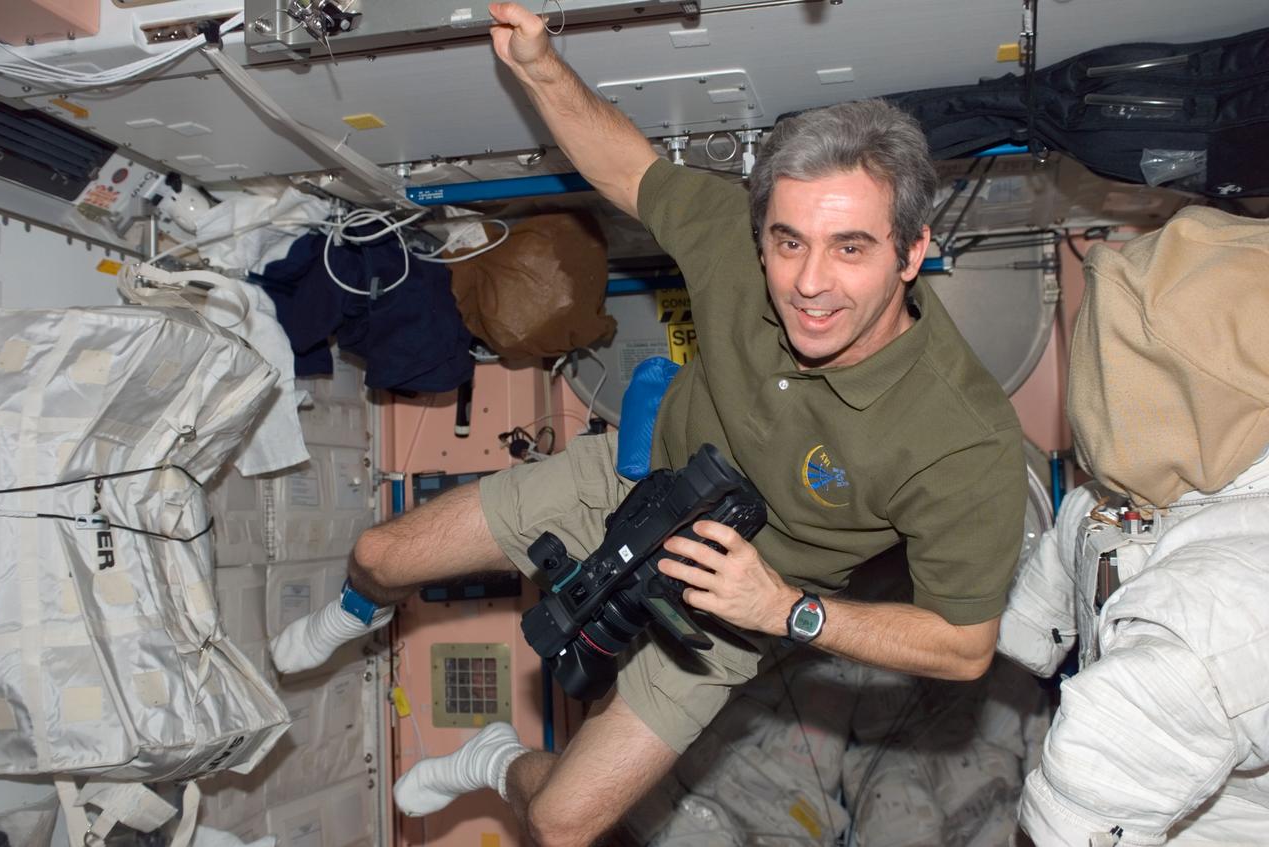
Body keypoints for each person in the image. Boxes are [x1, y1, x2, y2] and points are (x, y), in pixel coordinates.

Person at [270, 3, 1027, 843]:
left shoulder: (962, 437)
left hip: (738, 603)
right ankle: (357, 610)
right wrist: (539, 66)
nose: (810, 283)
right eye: (788, 243)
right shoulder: (738, 250)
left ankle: (490, 757)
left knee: (559, 823)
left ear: (912, 251)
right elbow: (627, 166)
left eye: (851, 247)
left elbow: (965, 646)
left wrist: (787, 610)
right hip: (633, 486)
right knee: (377, 554)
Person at [997, 206, 1269, 846]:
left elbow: (1085, 805)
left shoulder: (1224, 610)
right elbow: (1075, 543)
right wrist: (1032, 634)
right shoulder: (1113, 502)